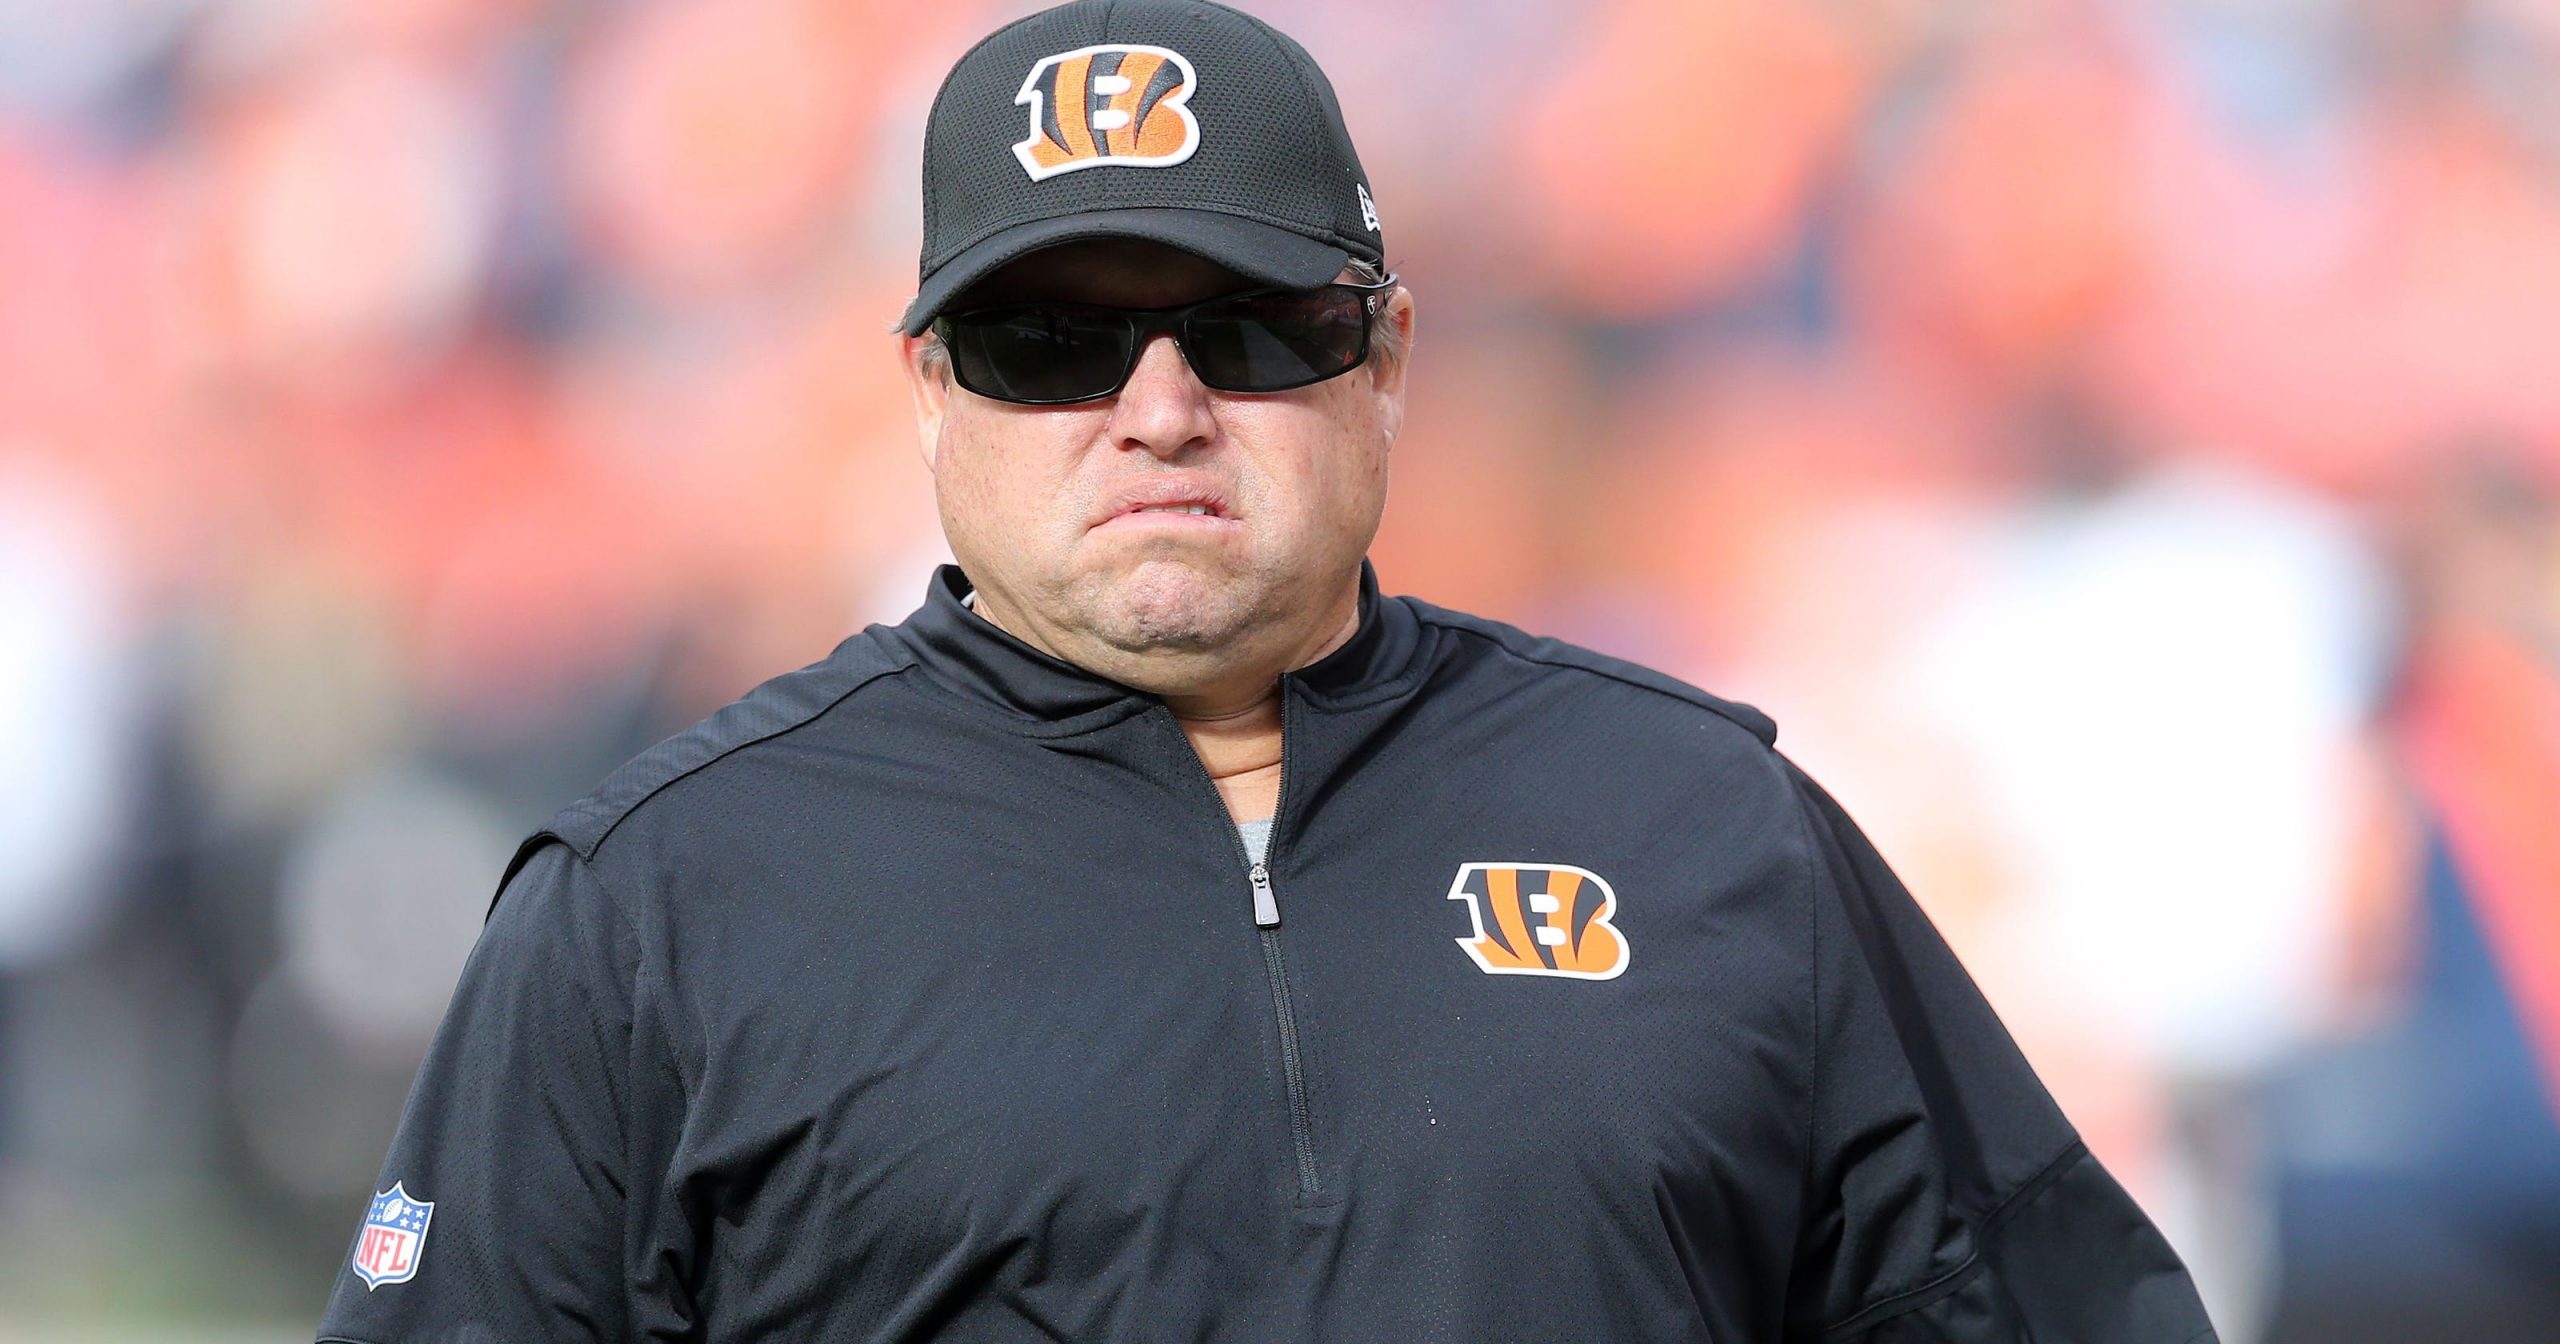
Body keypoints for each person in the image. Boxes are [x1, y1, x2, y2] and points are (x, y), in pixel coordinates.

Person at [316, 1, 2219, 1340]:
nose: (1160, 409)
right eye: (1054, 344)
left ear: (1385, 360)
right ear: (929, 393)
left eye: (1249, 329)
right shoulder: (664, 902)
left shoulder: (1704, 826)